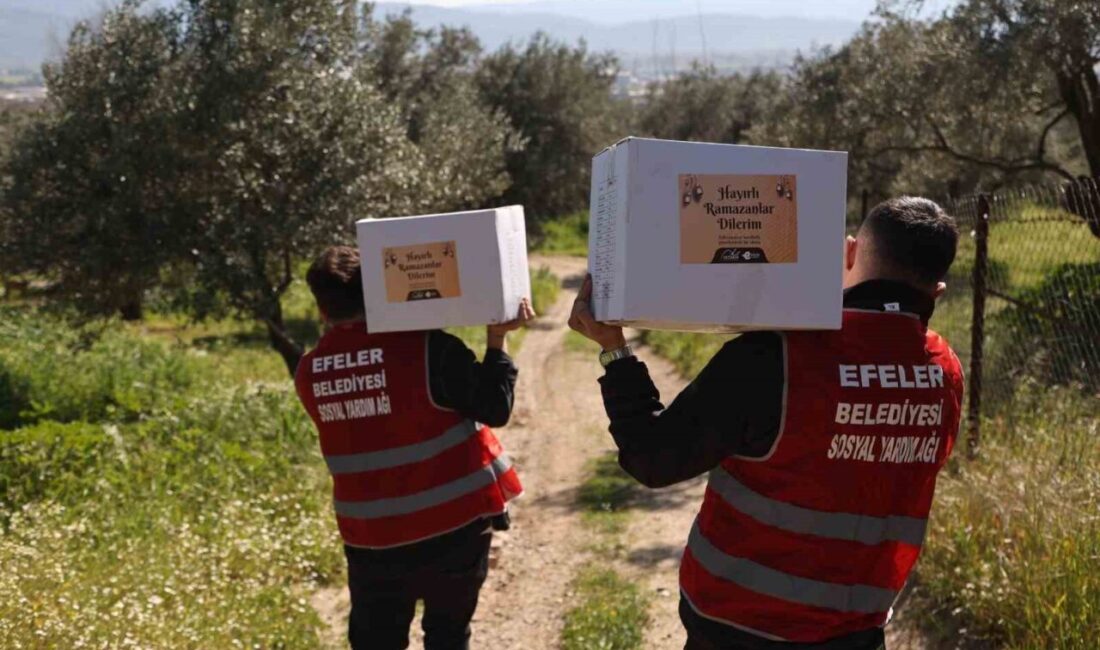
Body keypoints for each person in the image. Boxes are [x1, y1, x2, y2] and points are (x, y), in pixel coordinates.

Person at [568, 197, 965, 649]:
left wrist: (615, 350)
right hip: (855, 632)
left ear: (851, 254)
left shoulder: (779, 353)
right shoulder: (946, 372)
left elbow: (653, 458)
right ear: (937, 291)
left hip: (736, 627)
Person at [294, 245, 534, 650]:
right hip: (455, 530)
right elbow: (495, 407)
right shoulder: (430, 350)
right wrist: (497, 339)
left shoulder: (308, 372)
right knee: (447, 636)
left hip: (371, 541)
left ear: (321, 309)